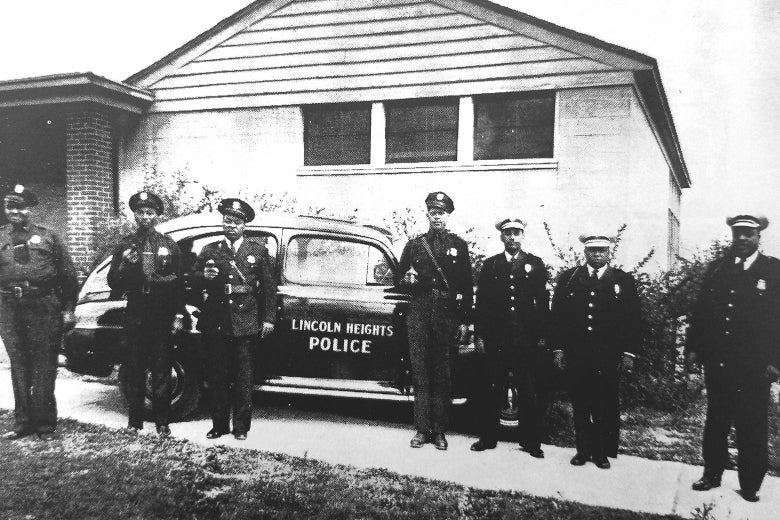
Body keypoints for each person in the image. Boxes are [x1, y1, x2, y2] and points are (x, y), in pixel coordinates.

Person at [686, 213, 780, 503]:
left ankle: (750, 483)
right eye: (737, 233)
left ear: (758, 237)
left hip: (756, 367)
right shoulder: (718, 269)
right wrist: (693, 349)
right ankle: (712, 473)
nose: (741, 239)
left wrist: (776, 361)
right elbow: (701, 312)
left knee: (752, 424)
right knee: (717, 420)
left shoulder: (773, 270)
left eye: (747, 234)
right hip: (720, 363)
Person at [551, 232, 642, 469]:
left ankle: (601, 452)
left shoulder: (622, 280)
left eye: (602, 250)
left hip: (607, 355)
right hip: (578, 353)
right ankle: (582, 450)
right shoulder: (570, 279)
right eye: (593, 250)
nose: (597, 254)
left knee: (604, 403)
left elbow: (633, 320)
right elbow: (558, 317)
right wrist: (559, 349)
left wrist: (629, 353)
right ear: (585, 252)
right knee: (580, 402)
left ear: (609, 252)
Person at [190, 198, 276, 441]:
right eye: (227, 220)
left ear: (244, 225)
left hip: (246, 323)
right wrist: (203, 276)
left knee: (243, 379)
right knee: (217, 377)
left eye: (236, 222)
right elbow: (193, 278)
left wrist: (268, 318)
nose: (231, 225)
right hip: (217, 321)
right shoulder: (210, 250)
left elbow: (269, 288)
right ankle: (219, 425)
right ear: (223, 222)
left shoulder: (257, 251)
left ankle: (240, 428)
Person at [0, 184, 78, 440]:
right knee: (19, 365)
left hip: (43, 306)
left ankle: (44, 425)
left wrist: (68, 310)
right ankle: (23, 423)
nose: (15, 211)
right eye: (10, 206)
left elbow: (68, 276)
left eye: (20, 206)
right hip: (10, 308)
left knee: (44, 365)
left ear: (29, 209)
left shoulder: (49, 237)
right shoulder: (1, 237)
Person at [396, 191, 473, 450]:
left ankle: (439, 431)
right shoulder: (415, 245)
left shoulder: (458, 246)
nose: (437, 217)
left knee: (442, 374)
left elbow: (466, 285)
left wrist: (464, 321)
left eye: (442, 213)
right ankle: (421, 429)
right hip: (419, 311)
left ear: (448, 216)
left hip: (445, 314)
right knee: (420, 372)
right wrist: (406, 280)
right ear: (427, 214)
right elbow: (399, 279)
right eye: (433, 212)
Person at [470, 217, 550, 456]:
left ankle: (531, 442)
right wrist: (480, 335)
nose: (513, 237)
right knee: (491, 388)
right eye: (508, 233)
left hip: (525, 340)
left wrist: (543, 335)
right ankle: (488, 438)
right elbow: (481, 303)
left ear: (523, 236)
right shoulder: (491, 265)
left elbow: (542, 303)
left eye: (517, 233)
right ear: (501, 237)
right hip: (497, 340)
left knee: (527, 390)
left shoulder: (534, 264)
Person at [107, 191, 183, 436]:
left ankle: (162, 422)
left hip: (160, 311)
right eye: (140, 212)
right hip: (137, 309)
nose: (145, 217)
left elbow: (178, 285)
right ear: (135, 215)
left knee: (162, 367)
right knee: (135, 366)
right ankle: (135, 422)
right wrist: (124, 264)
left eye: (150, 212)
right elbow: (113, 283)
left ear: (158, 215)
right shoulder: (125, 245)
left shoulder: (168, 246)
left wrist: (177, 315)